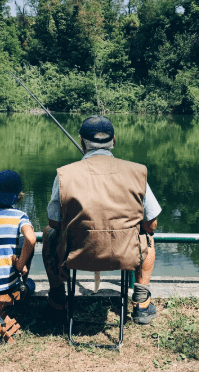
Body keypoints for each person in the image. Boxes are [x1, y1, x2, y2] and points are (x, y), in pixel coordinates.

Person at [42, 116, 161, 324]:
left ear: (81, 142)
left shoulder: (64, 175)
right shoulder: (137, 171)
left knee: (49, 234)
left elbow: (54, 223)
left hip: (76, 254)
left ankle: (58, 300)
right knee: (148, 239)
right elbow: (151, 224)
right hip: (126, 255)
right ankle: (141, 304)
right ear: (114, 140)